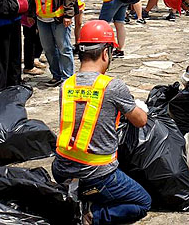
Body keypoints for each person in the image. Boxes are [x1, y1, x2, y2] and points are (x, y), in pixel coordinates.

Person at [51, 20, 151, 225]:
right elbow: (141, 121)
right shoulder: (112, 86)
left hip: (61, 169)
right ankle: (90, 217)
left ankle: (80, 197)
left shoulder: (66, 85)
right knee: (143, 202)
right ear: (106, 52)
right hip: (95, 173)